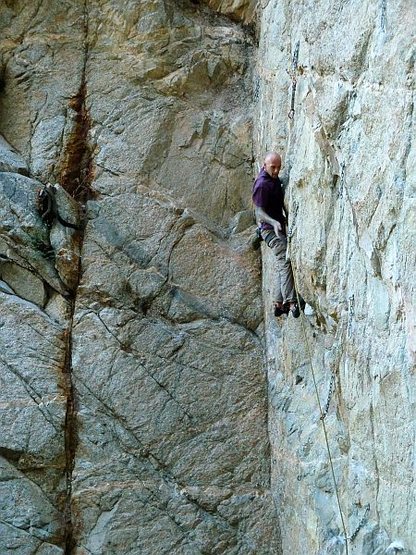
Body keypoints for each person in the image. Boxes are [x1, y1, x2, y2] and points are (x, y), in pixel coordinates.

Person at [252, 152, 300, 318]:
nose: (276, 170)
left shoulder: (271, 178)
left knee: (281, 262)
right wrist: (273, 222)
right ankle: (291, 301)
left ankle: (278, 302)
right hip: (269, 230)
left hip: (275, 227)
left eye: (279, 167)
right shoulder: (262, 184)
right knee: (284, 259)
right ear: (265, 165)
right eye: (273, 167)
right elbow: (259, 212)